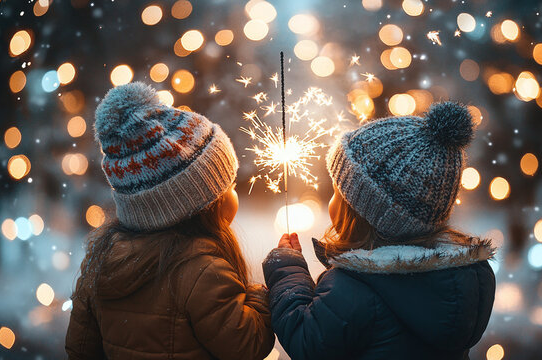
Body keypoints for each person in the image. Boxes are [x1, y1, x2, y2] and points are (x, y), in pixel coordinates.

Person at [263, 102, 496, 360]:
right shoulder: (455, 281)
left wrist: (286, 270)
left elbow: (307, 340)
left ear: (361, 214)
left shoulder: (356, 289)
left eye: (337, 193)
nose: (331, 202)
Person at [66, 82, 275, 360]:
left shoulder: (100, 262)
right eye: (228, 185)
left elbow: (80, 349)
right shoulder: (202, 271)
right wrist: (261, 294)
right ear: (203, 206)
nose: (233, 192)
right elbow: (249, 344)